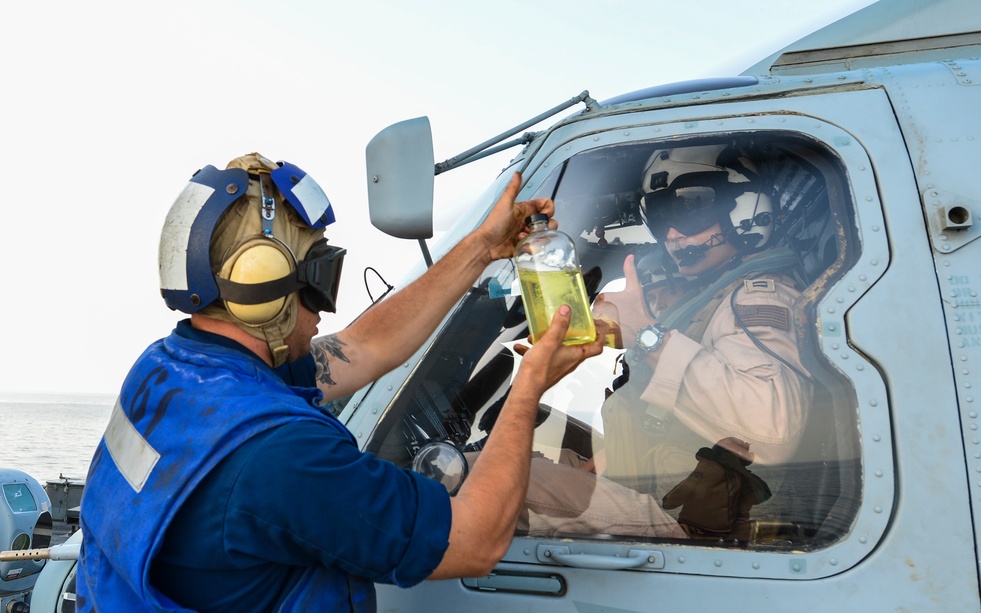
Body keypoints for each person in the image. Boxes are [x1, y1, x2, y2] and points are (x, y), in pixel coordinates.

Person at [76, 153, 604, 612]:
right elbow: (476, 540)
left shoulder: (173, 371)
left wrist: (481, 250)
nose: (325, 312)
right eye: (321, 276)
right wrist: (529, 386)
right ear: (263, 285)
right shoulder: (283, 457)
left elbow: (362, 347)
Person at [519, 144, 813, 541]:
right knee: (503, 465)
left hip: (696, 526)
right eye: (659, 217)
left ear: (744, 210)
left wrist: (647, 335)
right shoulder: (713, 299)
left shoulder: (758, 296)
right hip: (665, 489)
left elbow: (772, 430)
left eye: (689, 209)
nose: (672, 235)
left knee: (483, 487)